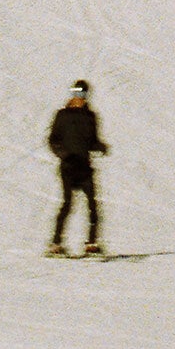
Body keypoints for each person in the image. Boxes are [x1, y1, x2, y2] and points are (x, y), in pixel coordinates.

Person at [46, 81, 107, 257]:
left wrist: (100, 146)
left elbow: (93, 141)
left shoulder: (90, 117)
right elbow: (53, 139)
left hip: (85, 167)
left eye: (82, 94)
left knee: (93, 206)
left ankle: (92, 244)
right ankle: (56, 244)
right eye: (75, 93)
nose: (78, 98)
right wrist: (63, 154)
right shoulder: (62, 115)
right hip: (69, 167)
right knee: (67, 204)